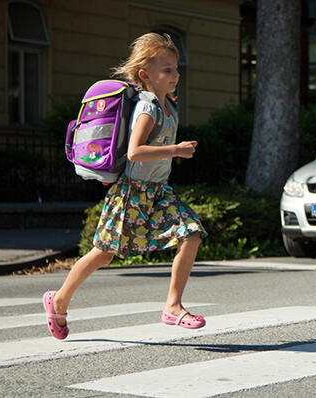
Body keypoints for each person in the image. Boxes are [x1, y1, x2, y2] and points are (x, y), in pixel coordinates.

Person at [43, 33, 208, 340]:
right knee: (103, 254)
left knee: (191, 233)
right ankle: (59, 299)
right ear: (145, 75)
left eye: (176, 68)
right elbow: (134, 152)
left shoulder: (167, 106)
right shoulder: (148, 108)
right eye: (167, 69)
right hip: (132, 193)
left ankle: (173, 305)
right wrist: (176, 150)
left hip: (157, 192)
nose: (176, 74)